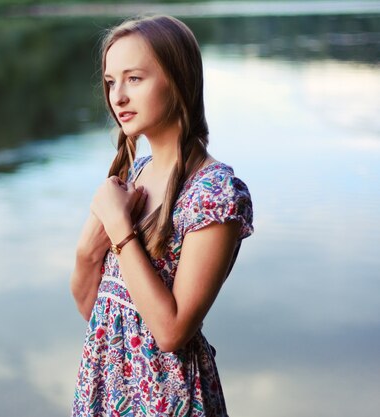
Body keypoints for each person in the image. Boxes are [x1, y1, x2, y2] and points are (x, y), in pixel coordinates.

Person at [70, 15, 254, 417]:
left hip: (167, 400)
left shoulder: (213, 194)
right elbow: (99, 311)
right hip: (107, 389)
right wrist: (87, 249)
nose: (117, 97)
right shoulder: (135, 176)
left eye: (134, 79)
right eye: (110, 82)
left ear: (178, 80)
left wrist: (119, 229)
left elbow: (171, 332)